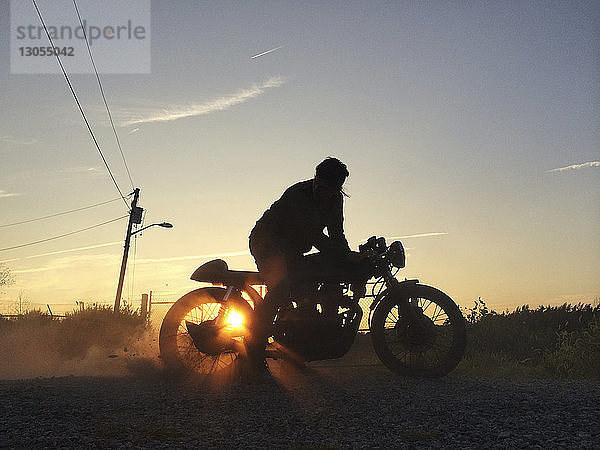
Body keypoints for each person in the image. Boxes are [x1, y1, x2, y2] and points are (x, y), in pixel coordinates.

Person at [246, 157, 361, 378]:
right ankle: (253, 352)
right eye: (318, 183)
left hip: (291, 250)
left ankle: (295, 353)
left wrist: (346, 258)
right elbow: (314, 235)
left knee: (307, 289)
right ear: (315, 177)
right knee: (280, 289)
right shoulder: (297, 194)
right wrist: (346, 256)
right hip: (266, 244)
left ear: (337, 189)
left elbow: (337, 234)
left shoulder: (336, 200)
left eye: (327, 188)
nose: (320, 190)